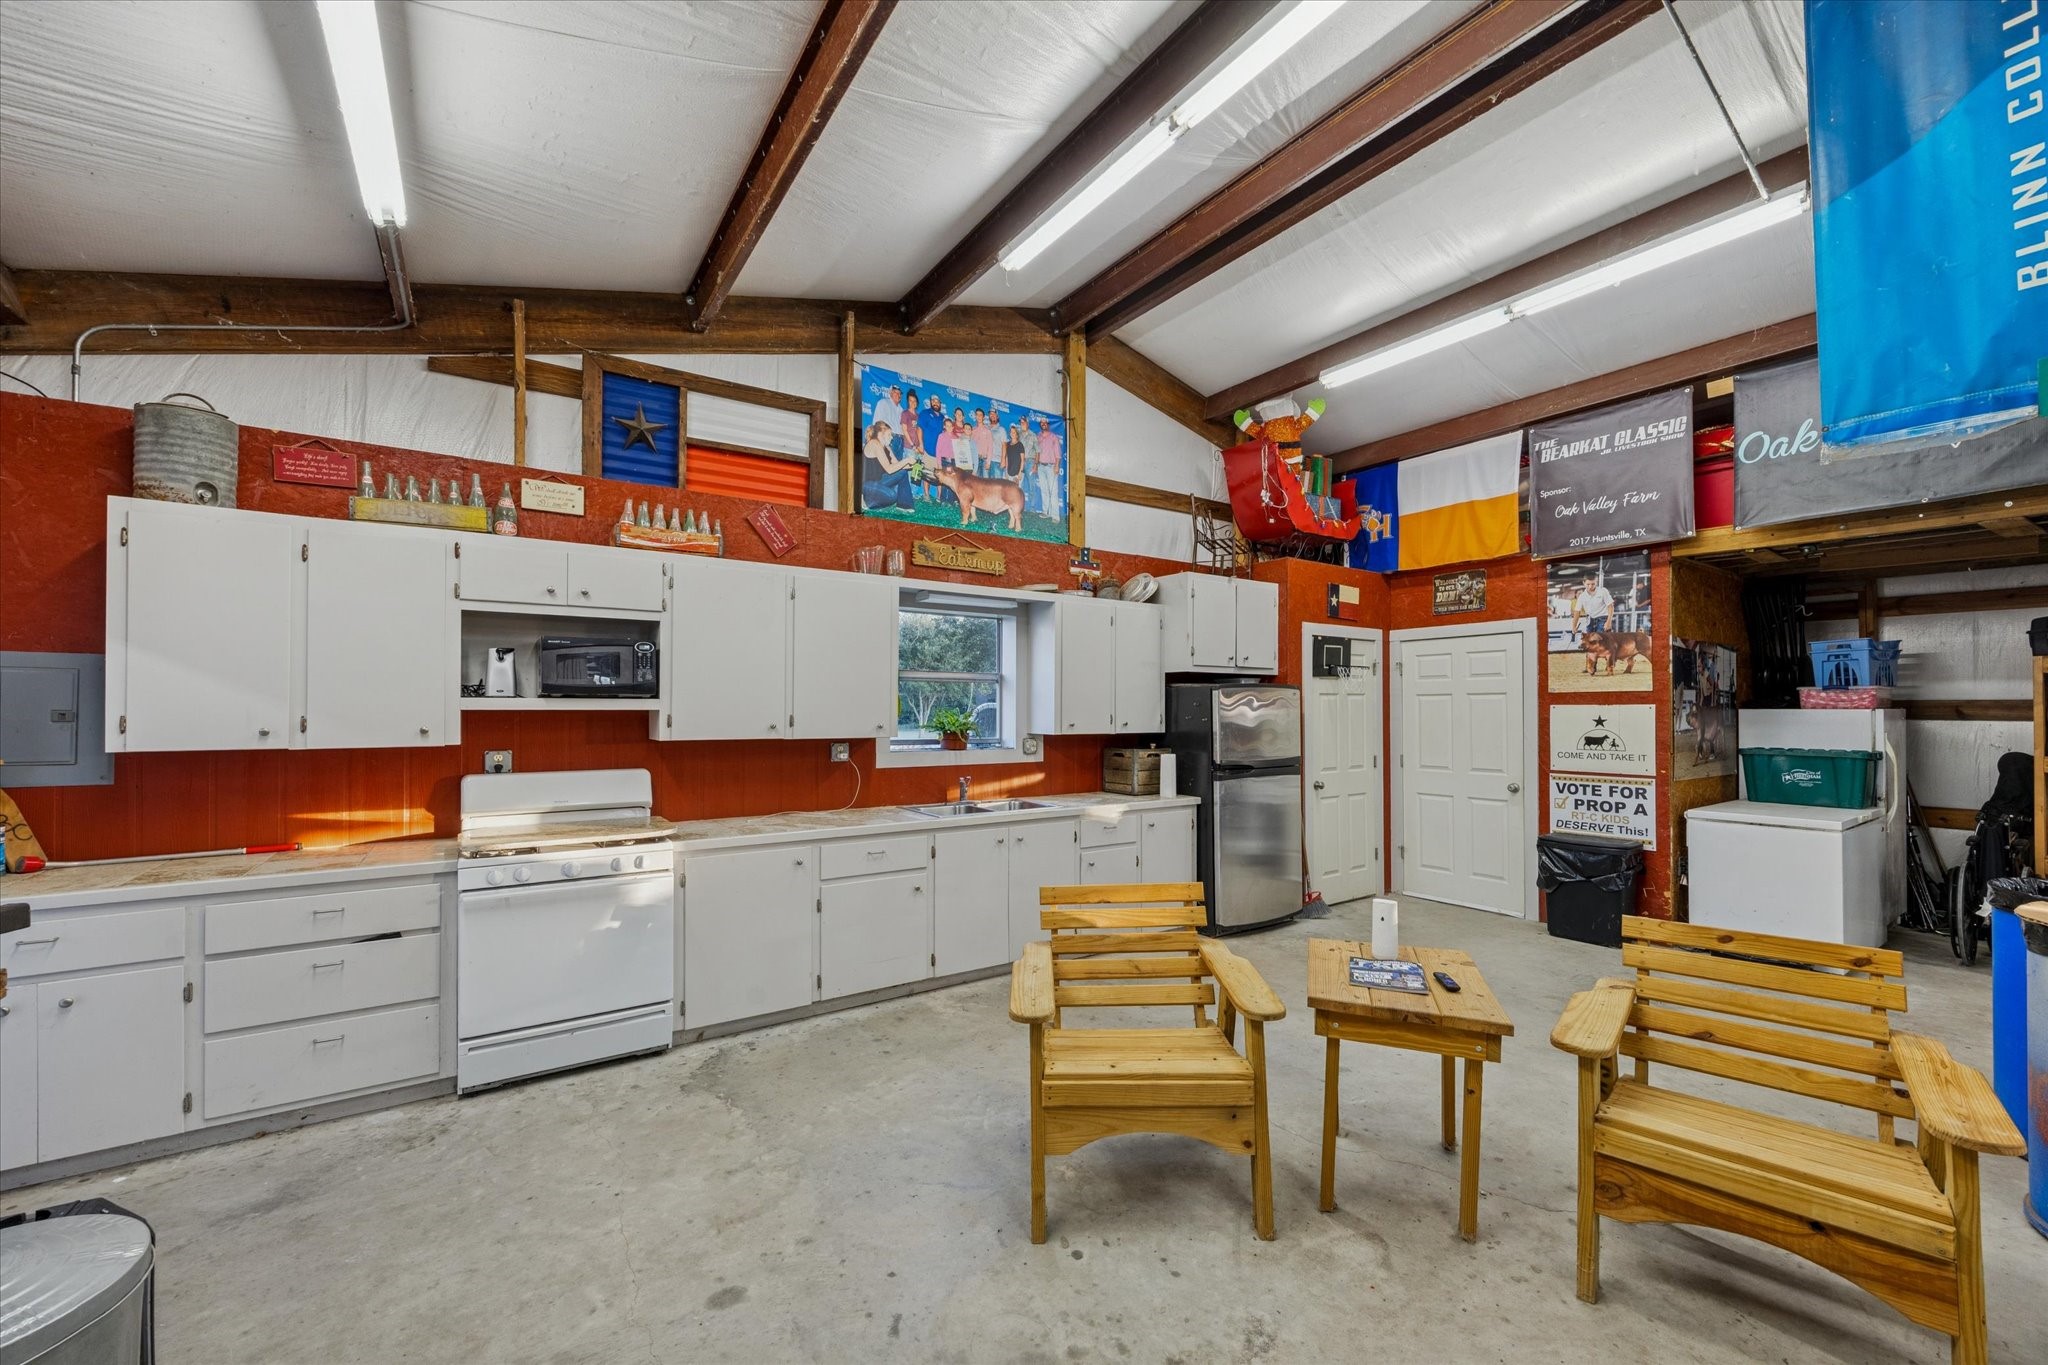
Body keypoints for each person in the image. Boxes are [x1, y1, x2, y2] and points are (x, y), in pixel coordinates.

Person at [861, 421, 914, 509]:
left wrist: (912, 465)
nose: (892, 437)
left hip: (879, 481)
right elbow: (889, 469)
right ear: (881, 433)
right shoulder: (874, 444)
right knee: (892, 496)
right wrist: (906, 460)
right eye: (889, 434)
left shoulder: (886, 447)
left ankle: (904, 505)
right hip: (867, 484)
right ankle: (867, 500)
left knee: (903, 472)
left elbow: (897, 465)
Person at [1034, 417, 1062, 521]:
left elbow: (1058, 453)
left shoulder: (1053, 437)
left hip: (1051, 467)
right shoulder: (1038, 436)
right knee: (1044, 490)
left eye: (1045, 422)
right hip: (1041, 466)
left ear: (1048, 424)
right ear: (1040, 425)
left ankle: (1055, 516)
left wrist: (1057, 465)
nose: (1043, 424)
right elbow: (1036, 452)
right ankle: (1046, 512)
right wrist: (1036, 465)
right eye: (1041, 423)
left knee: (1053, 492)